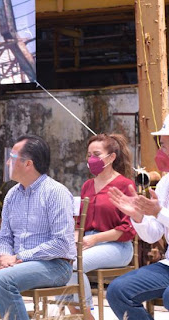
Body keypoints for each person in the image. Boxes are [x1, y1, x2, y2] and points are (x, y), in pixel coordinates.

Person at [0, 135, 76, 320]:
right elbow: (4, 237)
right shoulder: (12, 194)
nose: (7, 162)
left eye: (12, 157)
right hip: (16, 263)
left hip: (55, 265)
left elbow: (61, 244)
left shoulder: (56, 193)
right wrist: (4, 257)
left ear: (28, 163)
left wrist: (18, 257)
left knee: (3, 279)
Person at [61, 133, 135, 319]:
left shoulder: (125, 185)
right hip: (88, 243)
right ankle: (75, 313)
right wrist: (74, 240)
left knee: (75, 265)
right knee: (59, 262)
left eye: (96, 154)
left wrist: (94, 238)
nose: (91, 159)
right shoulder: (87, 185)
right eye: (89, 155)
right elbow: (80, 223)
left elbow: (127, 228)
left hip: (117, 246)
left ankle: (87, 316)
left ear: (111, 157)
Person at [106, 115, 169, 319]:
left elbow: (160, 215)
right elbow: (153, 235)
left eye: (165, 146)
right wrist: (138, 216)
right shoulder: (166, 183)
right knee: (118, 291)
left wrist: (158, 212)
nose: (161, 152)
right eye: (162, 145)